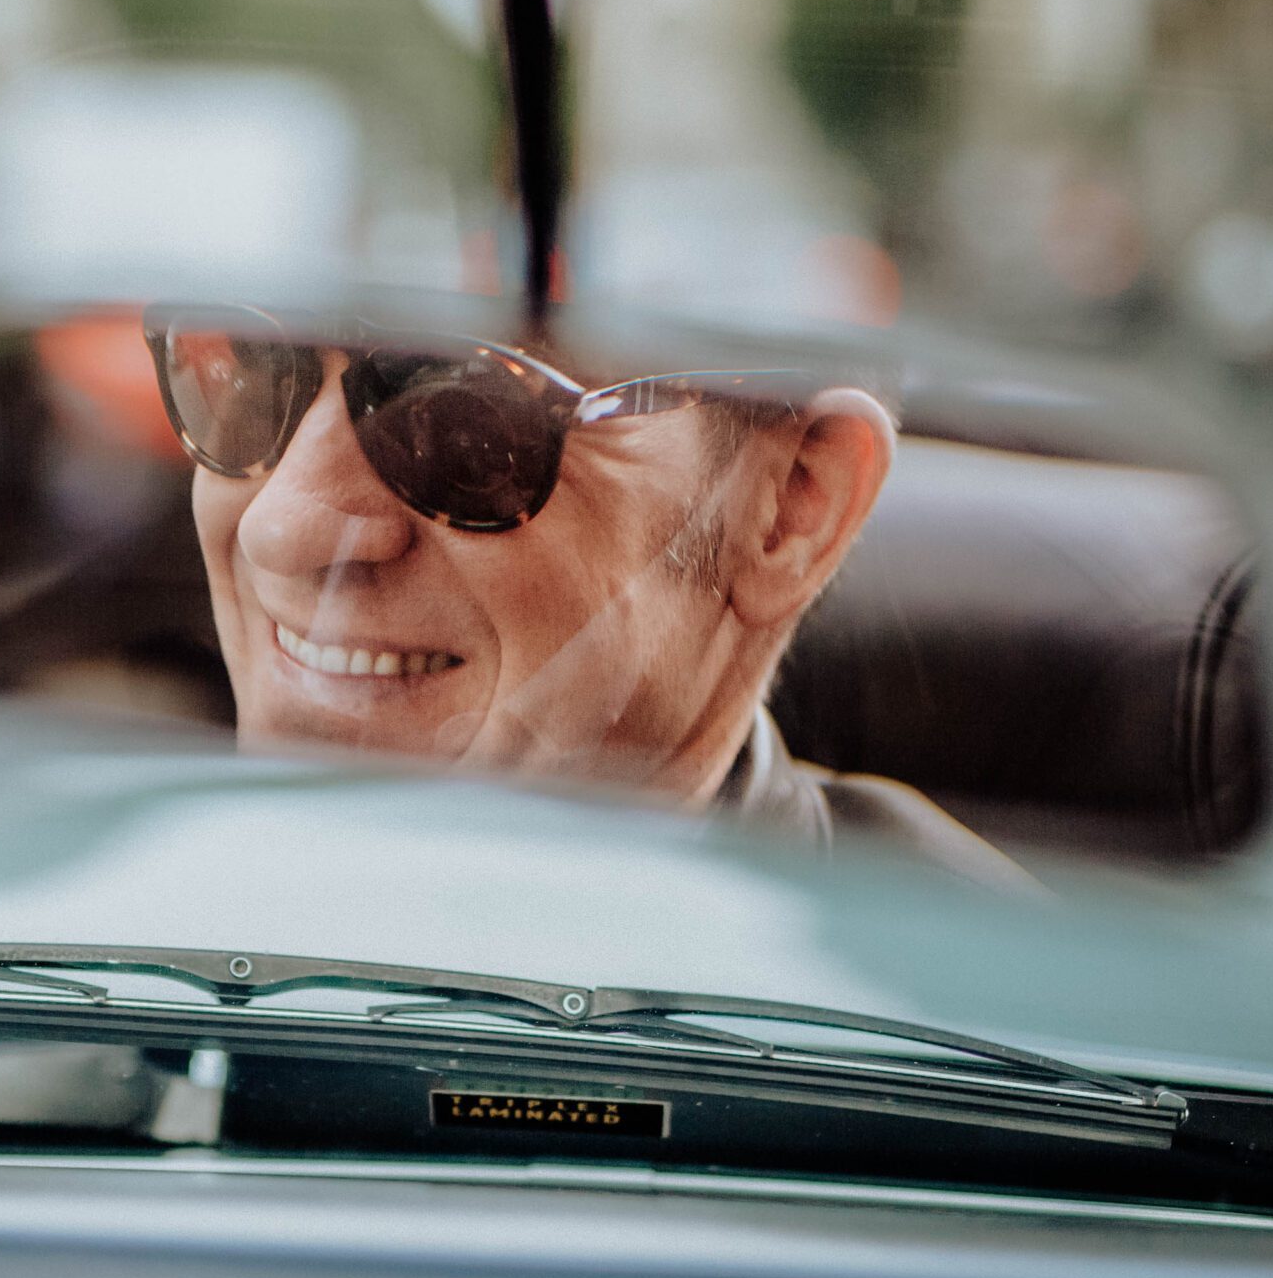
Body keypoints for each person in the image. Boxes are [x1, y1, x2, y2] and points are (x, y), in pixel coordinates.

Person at [145, 306, 1026, 886]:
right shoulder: (74, 939)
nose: (278, 527)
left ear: (793, 504)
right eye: (254, 378)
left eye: (470, 419)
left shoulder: (1002, 1063)